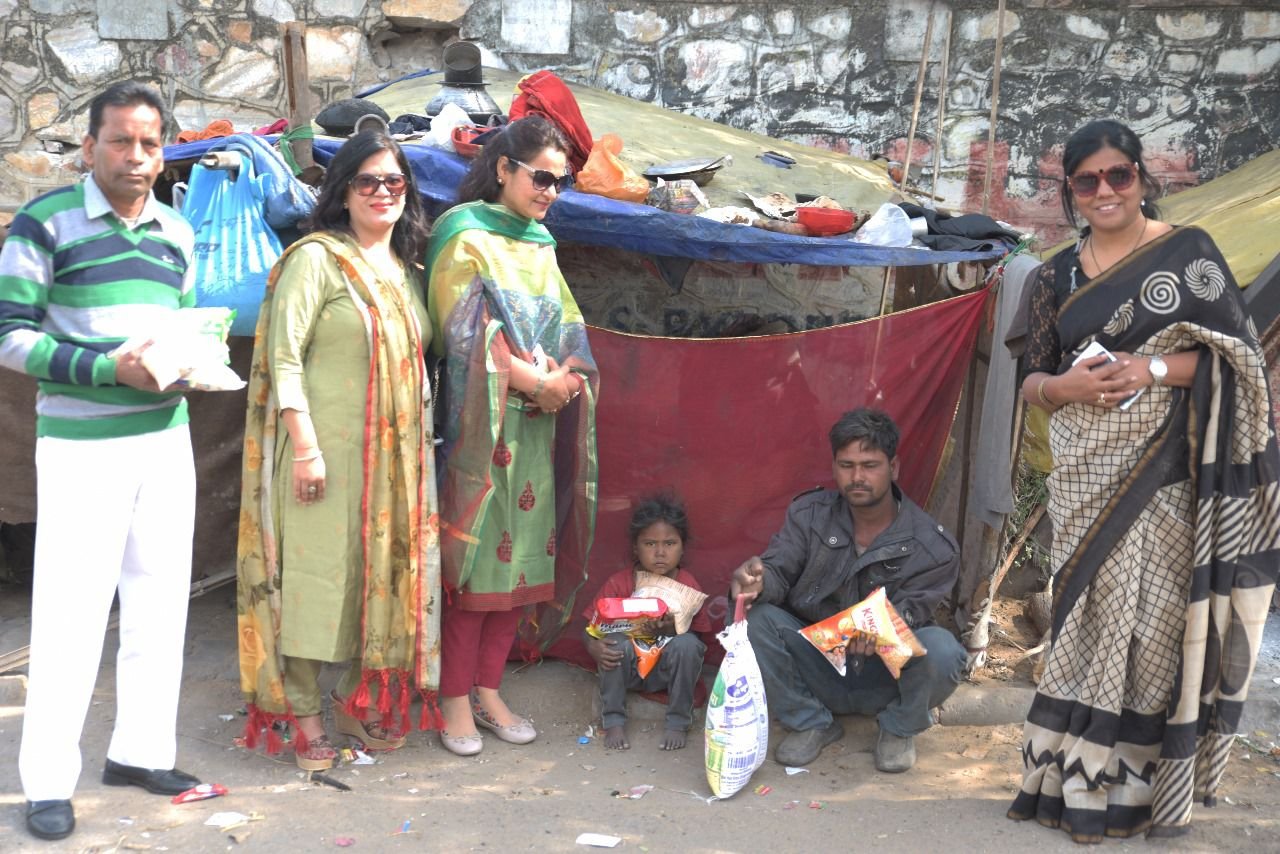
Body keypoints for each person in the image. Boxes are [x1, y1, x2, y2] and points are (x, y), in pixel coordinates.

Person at [1008, 119, 1280, 841]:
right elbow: (1031, 377)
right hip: (1085, 475)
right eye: (1087, 181)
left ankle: (1133, 793)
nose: (1105, 191)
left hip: (1165, 479)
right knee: (1084, 625)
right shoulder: (1053, 277)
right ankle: (1068, 782)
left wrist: (1152, 367)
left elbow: (1240, 361)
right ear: (1070, 191)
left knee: (1154, 632)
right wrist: (1062, 389)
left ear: (1141, 177)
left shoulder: (1189, 256)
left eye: (1119, 175)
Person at [0, 82, 202, 841]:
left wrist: (193, 365)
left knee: (160, 601)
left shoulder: (177, 232)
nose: (136, 156)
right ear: (90, 147)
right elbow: (10, 335)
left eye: (149, 143)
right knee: (72, 613)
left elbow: (182, 329)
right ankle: (48, 782)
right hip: (82, 444)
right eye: (120, 140)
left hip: (166, 437)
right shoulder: (45, 222)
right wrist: (106, 370)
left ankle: (141, 753)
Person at [236, 131, 441, 772]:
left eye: (394, 181)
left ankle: (356, 700)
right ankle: (302, 717)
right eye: (366, 181)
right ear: (343, 193)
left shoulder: (406, 271)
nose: (382, 191)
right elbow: (284, 357)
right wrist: (304, 448)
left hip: (393, 465)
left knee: (379, 579)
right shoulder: (316, 260)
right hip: (322, 455)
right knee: (313, 583)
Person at [426, 114, 599, 757]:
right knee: (473, 572)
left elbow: (569, 325)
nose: (551, 192)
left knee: (519, 568)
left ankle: (489, 690)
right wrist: (535, 382)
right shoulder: (462, 233)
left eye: (561, 183)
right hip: (478, 426)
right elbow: (462, 332)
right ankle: (452, 699)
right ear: (504, 168)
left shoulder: (541, 245)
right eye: (541, 178)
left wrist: (568, 376)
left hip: (533, 431)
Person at [730, 408, 966, 773]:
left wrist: (880, 630)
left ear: (893, 468)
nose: (857, 477)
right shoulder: (809, 515)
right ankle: (810, 721)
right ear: (835, 467)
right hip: (817, 663)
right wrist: (756, 584)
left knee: (944, 651)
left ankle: (899, 726)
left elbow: (912, 614)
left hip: (886, 674)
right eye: (847, 465)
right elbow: (778, 570)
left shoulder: (934, 547)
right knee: (756, 619)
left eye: (870, 465)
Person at [583, 494, 711, 751]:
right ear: (636, 548)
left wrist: (672, 628)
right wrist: (593, 647)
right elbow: (591, 628)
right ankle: (614, 720)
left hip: (666, 672)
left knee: (687, 645)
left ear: (682, 547)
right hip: (627, 669)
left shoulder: (686, 586)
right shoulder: (620, 583)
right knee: (614, 643)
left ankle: (678, 722)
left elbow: (698, 640)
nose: (660, 553)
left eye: (670, 543)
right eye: (650, 544)